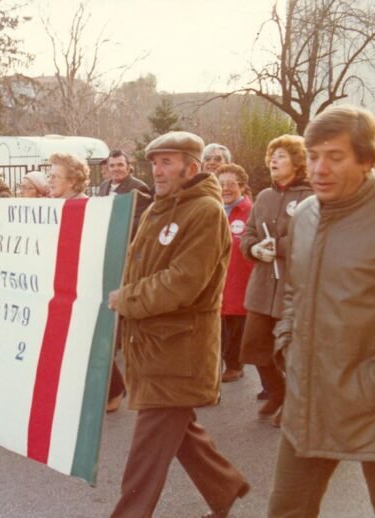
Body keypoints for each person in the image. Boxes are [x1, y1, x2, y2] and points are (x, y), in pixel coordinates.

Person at [107, 131, 249, 518]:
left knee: (146, 457)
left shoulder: (204, 211)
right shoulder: (159, 207)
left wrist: (128, 299)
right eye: (154, 162)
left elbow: (184, 282)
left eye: (167, 162)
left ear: (192, 166)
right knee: (180, 432)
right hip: (153, 345)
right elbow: (140, 264)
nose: (157, 169)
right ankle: (225, 488)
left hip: (178, 351)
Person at [268, 105, 375, 517]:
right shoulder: (305, 214)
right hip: (311, 396)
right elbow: (295, 291)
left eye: (335, 157)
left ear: (367, 159)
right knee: (286, 510)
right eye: (314, 155)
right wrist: (287, 341)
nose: (319, 168)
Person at [240, 135, 313, 423]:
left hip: (292, 288)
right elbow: (248, 233)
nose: (273, 160)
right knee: (255, 348)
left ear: (298, 161)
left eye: (281, 155)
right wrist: (254, 248)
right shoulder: (264, 197)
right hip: (261, 287)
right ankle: (277, 390)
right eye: (272, 154)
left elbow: (313, 238)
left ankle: (294, 405)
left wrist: (278, 247)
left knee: (289, 353)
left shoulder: (310, 197)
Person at [97, 150, 153, 413]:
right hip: (106, 251)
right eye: (112, 165)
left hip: (127, 255)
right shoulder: (104, 186)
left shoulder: (138, 189)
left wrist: (112, 226)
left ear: (129, 167)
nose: (116, 169)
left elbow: (140, 223)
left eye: (121, 165)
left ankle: (125, 348)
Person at [215, 164, 254, 383]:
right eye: (221, 184)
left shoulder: (249, 211)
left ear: (241, 186)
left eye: (231, 184)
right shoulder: (216, 209)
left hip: (241, 278)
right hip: (220, 278)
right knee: (222, 325)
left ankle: (234, 365)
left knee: (237, 325)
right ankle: (225, 363)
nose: (226, 189)